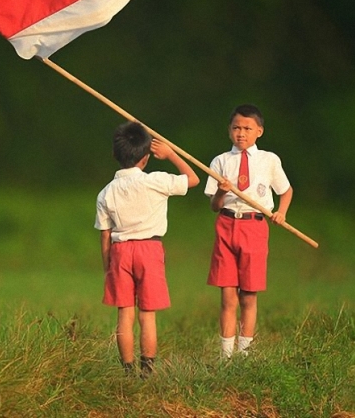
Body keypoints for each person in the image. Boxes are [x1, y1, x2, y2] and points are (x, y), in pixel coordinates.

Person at [95, 121, 200, 376]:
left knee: (125, 315)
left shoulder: (105, 193)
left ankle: (127, 371)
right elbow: (194, 179)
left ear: (114, 155)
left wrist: (107, 264)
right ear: (145, 158)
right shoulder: (156, 181)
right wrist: (172, 154)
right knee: (147, 315)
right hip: (150, 251)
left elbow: (105, 235)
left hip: (120, 252)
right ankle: (147, 370)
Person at [204, 104, 293, 360]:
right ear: (229, 130)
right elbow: (214, 205)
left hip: (255, 226)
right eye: (236, 128)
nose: (241, 133)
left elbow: (285, 190)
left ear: (259, 131)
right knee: (228, 296)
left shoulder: (269, 160)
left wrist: (281, 213)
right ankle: (226, 357)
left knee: (249, 294)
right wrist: (222, 191)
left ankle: (244, 356)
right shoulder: (220, 161)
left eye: (247, 128)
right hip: (227, 224)